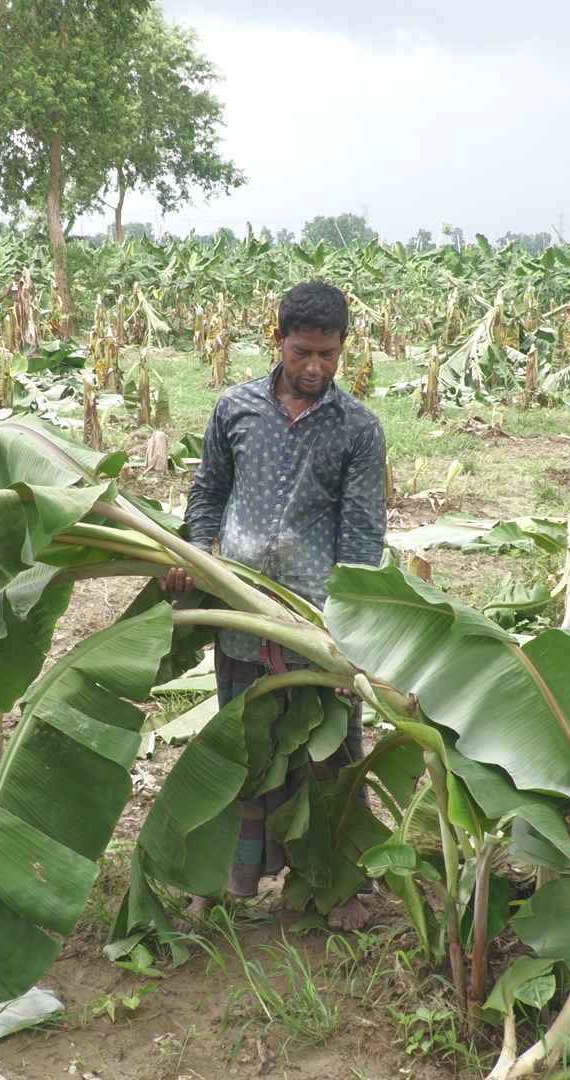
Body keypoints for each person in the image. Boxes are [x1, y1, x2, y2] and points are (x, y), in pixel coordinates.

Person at [168, 280, 387, 925]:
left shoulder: (358, 430)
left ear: (344, 347)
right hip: (238, 610)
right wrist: (195, 549)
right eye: (301, 353)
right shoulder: (234, 409)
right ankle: (219, 879)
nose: (314, 367)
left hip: (315, 621)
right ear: (278, 341)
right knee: (242, 748)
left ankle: (338, 886)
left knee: (332, 757)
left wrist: (347, 622)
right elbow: (208, 490)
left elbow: (362, 536)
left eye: (328, 354)